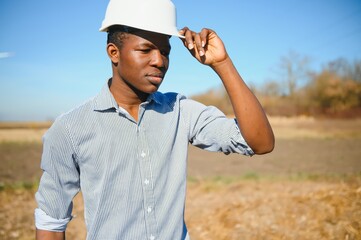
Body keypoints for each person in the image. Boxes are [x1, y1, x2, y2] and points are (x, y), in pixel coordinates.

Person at [34, 0, 274, 239]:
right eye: (146, 49)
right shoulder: (70, 129)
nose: (159, 61)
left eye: (165, 52)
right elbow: (51, 223)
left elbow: (260, 143)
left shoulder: (180, 111)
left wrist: (222, 63)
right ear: (113, 53)